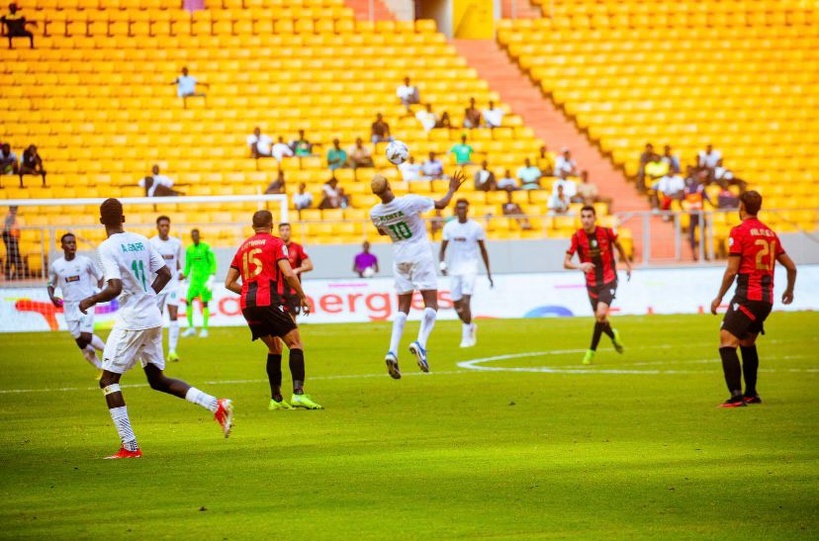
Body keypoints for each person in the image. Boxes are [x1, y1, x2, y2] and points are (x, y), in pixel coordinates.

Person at [78, 198, 232, 459]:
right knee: (157, 379)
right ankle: (215, 405)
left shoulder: (107, 247)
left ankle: (129, 446)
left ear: (101, 221)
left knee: (108, 380)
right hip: (152, 315)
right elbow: (165, 273)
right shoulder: (141, 240)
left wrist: (91, 299)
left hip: (133, 320)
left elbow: (114, 287)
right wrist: (149, 295)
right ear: (123, 218)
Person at [369, 169, 466, 379]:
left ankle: (392, 351)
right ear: (389, 186)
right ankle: (420, 342)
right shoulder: (409, 202)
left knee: (403, 307)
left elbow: (381, 231)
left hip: (399, 258)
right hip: (420, 255)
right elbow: (441, 204)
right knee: (431, 303)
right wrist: (451, 189)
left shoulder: (375, 213)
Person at [225, 210, 322, 411]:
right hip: (268, 299)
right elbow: (288, 274)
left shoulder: (243, 247)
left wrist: (249, 292)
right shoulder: (276, 243)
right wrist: (302, 296)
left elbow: (229, 283)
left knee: (275, 347)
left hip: (247, 304)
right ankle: (298, 395)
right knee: (295, 343)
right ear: (271, 225)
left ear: (253, 227)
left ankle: (276, 399)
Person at [709, 191, 797, 408]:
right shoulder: (770, 233)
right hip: (766, 298)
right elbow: (791, 267)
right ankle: (751, 393)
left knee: (726, 341)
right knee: (747, 342)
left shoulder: (739, 232)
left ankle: (736, 397)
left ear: (741, 206)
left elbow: (731, 271)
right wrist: (790, 291)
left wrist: (719, 297)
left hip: (747, 294)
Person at [563, 205, 632, 365]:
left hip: (609, 279)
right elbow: (566, 263)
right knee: (600, 319)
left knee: (601, 315)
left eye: (589, 216)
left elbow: (619, 245)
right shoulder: (577, 237)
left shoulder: (606, 232)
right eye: (583, 217)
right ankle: (614, 337)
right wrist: (580, 266)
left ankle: (591, 352)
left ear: (595, 218)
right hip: (591, 283)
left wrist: (627, 264)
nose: (586, 220)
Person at [47, 232, 106, 374]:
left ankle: (110, 352)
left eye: (74, 242)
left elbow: (100, 276)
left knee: (86, 335)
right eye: (69, 242)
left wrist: (96, 293)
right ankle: (101, 368)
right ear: (62, 246)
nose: (72, 245)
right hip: (69, 306)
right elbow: (50, 284)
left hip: (86, 303)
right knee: (80, 341)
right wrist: (52, 297)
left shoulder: (85, 261)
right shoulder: (56, 266)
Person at [439, 199, 493, 348]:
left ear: (468, 210)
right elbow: (442, 249)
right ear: (455, 210)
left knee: (465, 301)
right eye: (459, 208)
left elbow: (483, 249)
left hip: (470, 267)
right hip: (454, 269)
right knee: (457, 304)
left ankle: (465, 338)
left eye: (464, 208)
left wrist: (488, 272)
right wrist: (442, 264)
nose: (461, 210)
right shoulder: (449, 227)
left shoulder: (476, 227)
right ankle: (470, 326)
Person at [150, 216, 184, 363]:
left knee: (174, 315)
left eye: (167, 226)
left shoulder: (176, 243)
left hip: (173, 285)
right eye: (162, 225)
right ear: (157, 227)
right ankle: (156, 351)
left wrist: (181, 271)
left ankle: (172, 351)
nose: (165, 228)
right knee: (157, 319)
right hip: (158, 286)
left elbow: (177, 261)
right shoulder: (151, 243)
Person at [181, 228, 216, 338]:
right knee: (188, 301)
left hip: (205, 280)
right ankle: (191, 328)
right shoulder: (189, 249)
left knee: (204, 303)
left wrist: (211, 278)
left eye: (197, 235)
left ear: (199, 236)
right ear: (192, 237)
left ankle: (204, 329)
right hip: (194, 281)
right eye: (193, 235)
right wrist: (183, 275)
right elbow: (187, 266)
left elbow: (213, 263)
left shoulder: (206, 247)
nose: (195, 237)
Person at [278, 222, 313, 319]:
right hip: (279, 289)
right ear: (279, 232)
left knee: (292, 321)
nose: (285, 232)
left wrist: (297, 270)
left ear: (290, 232)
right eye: (282, 230)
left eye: (287, 230)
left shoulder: (298, 248)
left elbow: (309, 266)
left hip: (294, 289)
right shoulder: (276, 248)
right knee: (279, 322)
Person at [2, 205, 22, 280]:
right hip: (10, 237)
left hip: (12, 238)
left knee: (12, 255)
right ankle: (12, 273)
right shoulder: (10, 217)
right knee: (12, 255)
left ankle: (14, 273)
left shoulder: (11, 217)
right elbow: (6, 229)